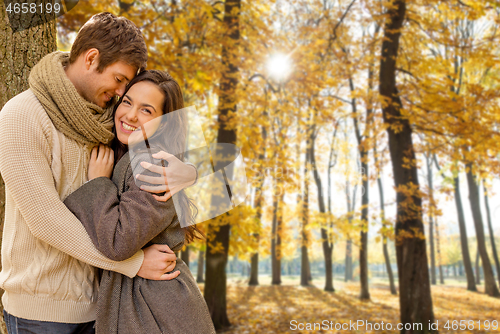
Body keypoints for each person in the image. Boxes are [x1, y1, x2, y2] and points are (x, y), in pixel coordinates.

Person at [0, 12, 197, 333]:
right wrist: (133, 264)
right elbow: (45, 220)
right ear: (92, 59)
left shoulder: (109, 117)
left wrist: (189, 172)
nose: (121, 94)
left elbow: (171, 138)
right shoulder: (22, 115)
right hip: (43, 312)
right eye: (120, 80)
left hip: (104, 308)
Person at [63, 69, 215, 334]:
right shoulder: (130, 154)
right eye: (127, 102)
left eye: (147, 111)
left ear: (164, 123)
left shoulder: (152, 163)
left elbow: (118, 242)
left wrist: (97, 183)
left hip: (154, 308)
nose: (131, 115)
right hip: (143, 301)